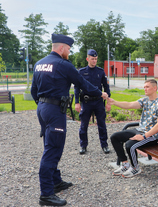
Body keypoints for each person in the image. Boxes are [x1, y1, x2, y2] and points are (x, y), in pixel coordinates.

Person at [31, 34, 108, 206]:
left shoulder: (39, 63)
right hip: (55, 110)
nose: (69, 52)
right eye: (69, 49)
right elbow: (82, 83)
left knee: (49, 144)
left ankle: (56, 181)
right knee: (52, 150)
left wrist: (43, 105)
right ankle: (46, 194)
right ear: (61, 48)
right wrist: (100, 93)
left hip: (42, 108)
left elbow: (33, 90)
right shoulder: (63, 64)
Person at [108, 79, 158, 178]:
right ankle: (125, 165)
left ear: (155, 88)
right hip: (140, 130)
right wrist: (114, 102)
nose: (145, 89)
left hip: (152, 136)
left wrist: (144, 136)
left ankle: (136, 168)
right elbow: (129, 104)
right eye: (144, 87)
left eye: (147, 87)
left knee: (129, 145)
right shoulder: (145, 100)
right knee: (115, 137)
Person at [74, 49, 111, 155]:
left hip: (98, 102)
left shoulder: (100, 71)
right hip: (86, 102)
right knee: (84, 125)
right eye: (92, 59)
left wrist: (108, 101)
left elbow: (106, 87)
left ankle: (104, 145)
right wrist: (77, 102)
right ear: (87, 59)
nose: (94, 61)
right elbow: (77, 88)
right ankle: (83, 145)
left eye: (95, 59)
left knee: (102, 125)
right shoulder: (81, 72)